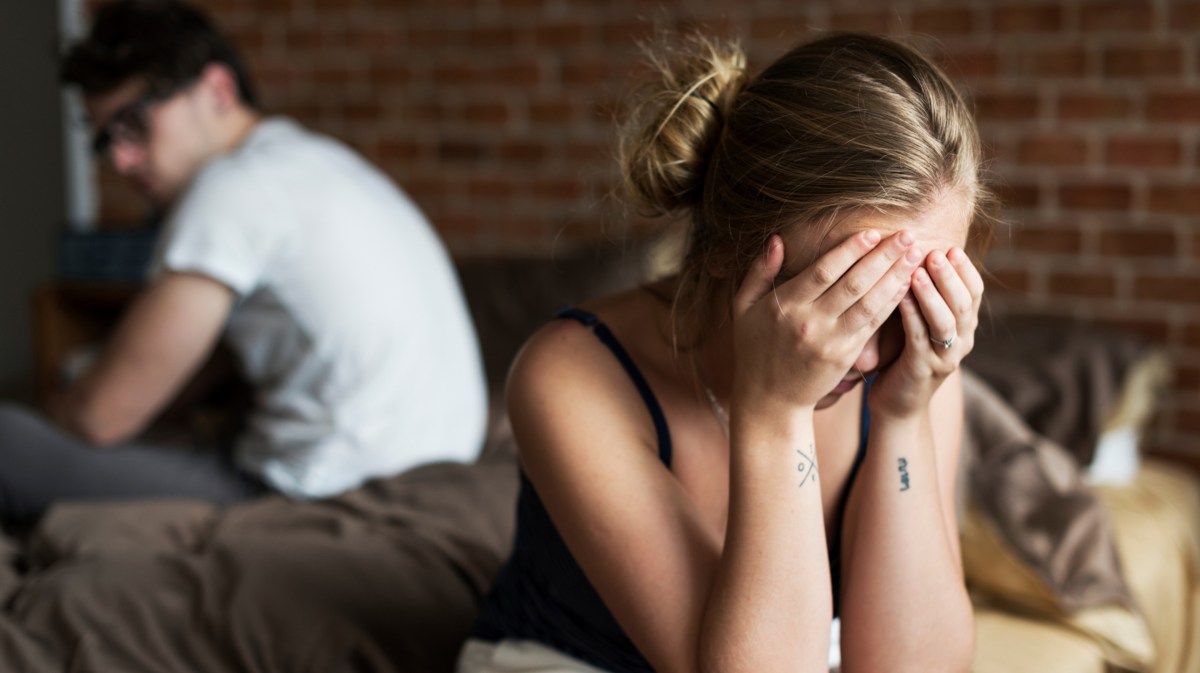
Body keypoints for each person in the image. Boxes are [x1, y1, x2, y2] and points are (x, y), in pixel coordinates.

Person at [459, 32, 994, 673]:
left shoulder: (912, 371)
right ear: (726, 248)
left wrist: (905, 417)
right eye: (846, 295)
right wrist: (773, 411)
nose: (875, 354)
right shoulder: (569, 374)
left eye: (914, 296)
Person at [0, 0, 486, 524]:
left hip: (331, 492)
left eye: (134, 123)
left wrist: (66, 397)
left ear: (217, 91)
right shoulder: (312, 161)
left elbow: (102, 417)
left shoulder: (229, 191)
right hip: (439, 471)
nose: (121, 160)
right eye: (105, 141)